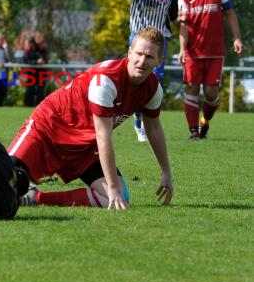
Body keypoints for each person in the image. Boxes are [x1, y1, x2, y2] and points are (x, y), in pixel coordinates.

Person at [9, 27, 173, 210]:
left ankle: (36, 198)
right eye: (139, 54)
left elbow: (154, 129)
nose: (142, 61)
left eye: (149, 57)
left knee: (120, 198)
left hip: (85, 147)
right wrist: (112, 186)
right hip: (48, 128)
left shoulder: (153, 89)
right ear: (129, 52)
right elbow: (104, 137)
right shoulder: (106, 80)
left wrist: (166, 171)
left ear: (159, 60)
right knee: (4, 178)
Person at [177, 0, 243, 140]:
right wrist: (182, 49)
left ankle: (205, 121)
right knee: (191, 88)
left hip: (215, 52)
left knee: (211, 93)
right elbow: (183, 25)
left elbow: (230, 14)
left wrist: (237, 38)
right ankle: (194, 131)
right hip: (192, 52)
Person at [118, 0, 178, 142]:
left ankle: (146, 121)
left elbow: (174, 16)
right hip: (137, 39)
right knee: (137, 79)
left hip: (160, 41)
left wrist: (183, 18)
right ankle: (138, 122)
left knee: (154, 83)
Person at [22, 36, 47, 107]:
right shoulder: (27, 51)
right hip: (31, 74)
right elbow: (26, 60)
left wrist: (42, 60)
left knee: (40, 91)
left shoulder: (41, 49)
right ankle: (28, 106)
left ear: (32, 43)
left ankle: (40, 107)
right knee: (29, 90)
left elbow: (44, 59)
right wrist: (36, 62)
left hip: (41, 73)